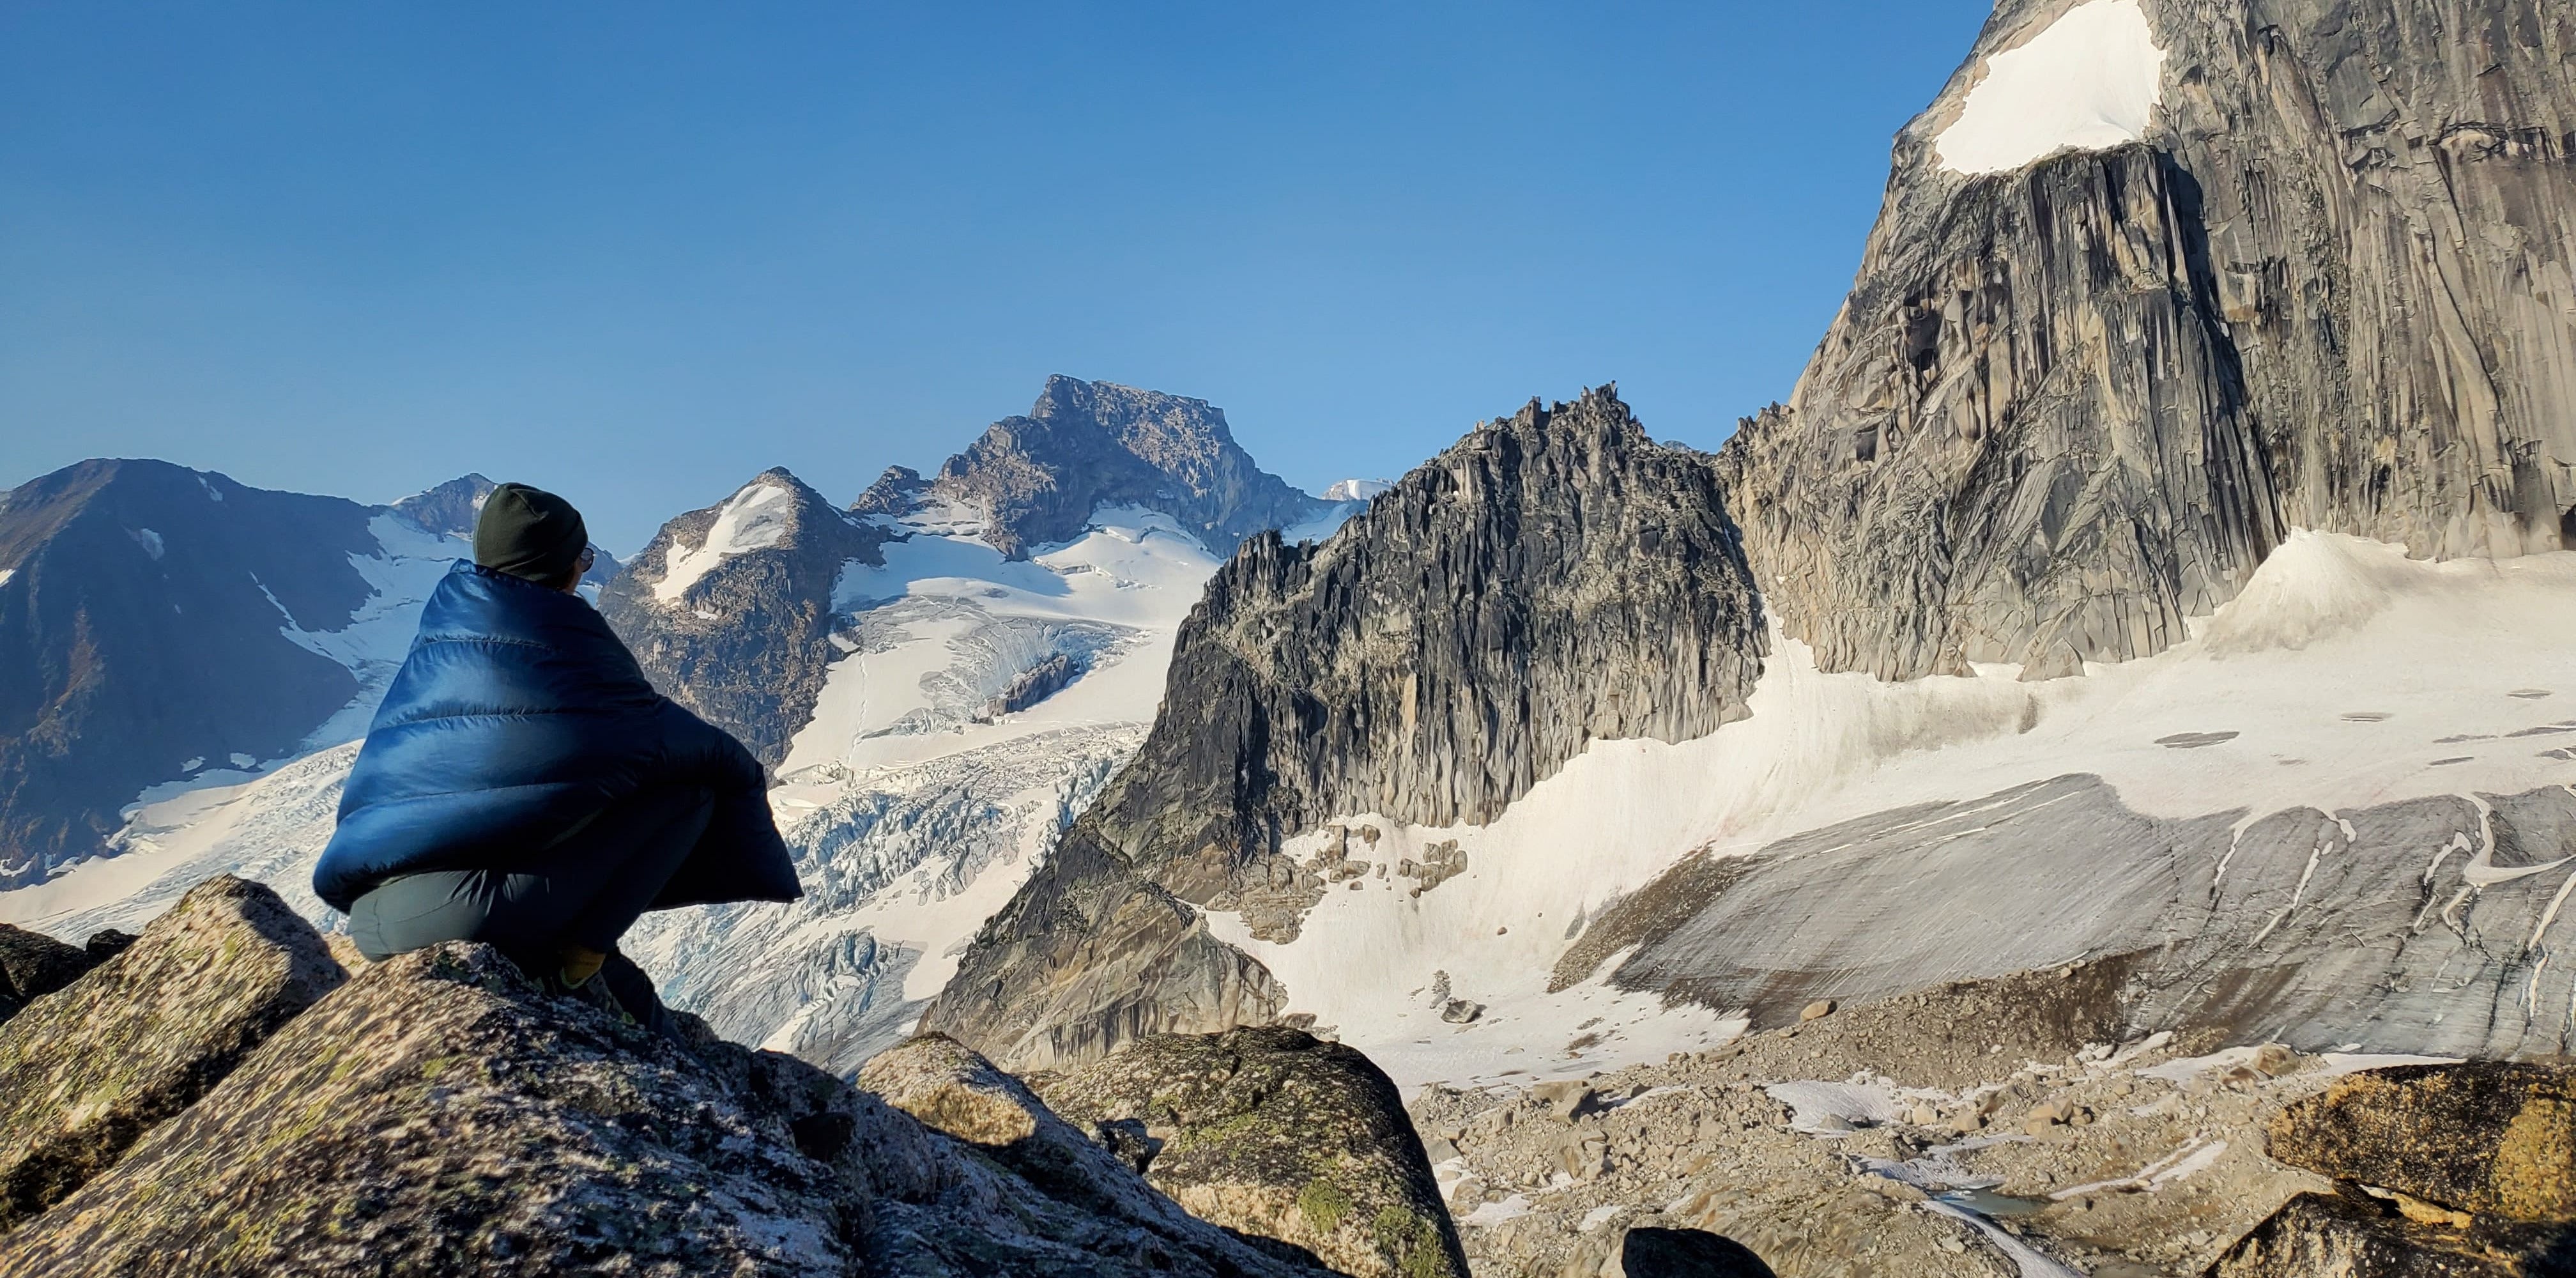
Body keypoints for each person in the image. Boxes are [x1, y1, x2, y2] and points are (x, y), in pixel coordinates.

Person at [312, 482, 801, 1029]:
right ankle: (575, 967)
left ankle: (577, 958)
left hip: (372, 920)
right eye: (584, 559)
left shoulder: (445, 641)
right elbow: (685, 745)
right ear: (564, 567)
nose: (585, 572)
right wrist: (755, 839)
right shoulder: (563, 648)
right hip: (461, 924)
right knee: (689, 793)